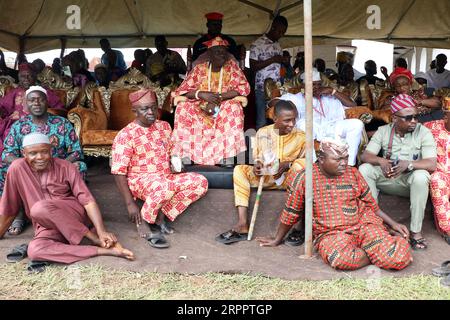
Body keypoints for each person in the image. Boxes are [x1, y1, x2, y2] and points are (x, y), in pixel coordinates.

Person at [257, 138, 412, 271]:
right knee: (340, 259)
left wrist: (393, 224)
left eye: (346, 158)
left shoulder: (353, 173)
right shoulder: (304, 178)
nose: (344, 163)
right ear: (321, 158)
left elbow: (370, 204)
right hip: (331, 233)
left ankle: (381, 247)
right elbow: (291, 212)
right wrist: (277, 239)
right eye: (338, 160)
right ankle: (377, 251)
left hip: (364, 224)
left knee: (397, 258)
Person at [0, 132, 134, 265]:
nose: (40, 157)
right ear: (24, 153)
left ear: (51, 150)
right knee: (34, 250)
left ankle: (92, 238)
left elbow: (88, 201)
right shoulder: (17, 168)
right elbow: (9, 206)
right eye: (33, 153)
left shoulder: (66, 166)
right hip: (46, 225)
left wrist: (101, 231)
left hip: (74, 216)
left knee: (39, 208)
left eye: (44, 152)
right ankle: (103, 250)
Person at [112, 89, 208, 248]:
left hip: (165, 176)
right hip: (140, 180)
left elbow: (172, 151)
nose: (151, 112)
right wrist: (130, 204)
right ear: (134, 111)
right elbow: (118, 172)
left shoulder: (164, 127)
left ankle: (161, 215)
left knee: (200, 182)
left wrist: (176, 163)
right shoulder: (125, 135)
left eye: (154, 107)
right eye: (144, 109)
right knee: (165, 187)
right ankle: (143, 219)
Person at [216, 100, 306, 244]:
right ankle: (242, 224)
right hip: (266, 178)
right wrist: (257, 166)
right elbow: (257, 158)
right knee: (240, 169)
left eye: (294, 119)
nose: (292, 124)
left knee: (300, 166)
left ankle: (298, 227)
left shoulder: (301, 136)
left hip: (290, 182)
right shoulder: (263, 133)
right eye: (287, 120)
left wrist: (288, 164)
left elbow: (308, 164)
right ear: (275, 118)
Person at [0, 86, 87, 235]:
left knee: (80, 166)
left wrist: (59, 165)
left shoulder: (62, 123)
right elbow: (7, 153)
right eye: (32, 100)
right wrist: (27, 165)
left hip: (57, 167)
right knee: (7, 168)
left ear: (47, 102)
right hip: (29, 168)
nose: (37, 103)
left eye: (41, 100)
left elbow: (76, 152)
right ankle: (18, 212)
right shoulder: (19, 126)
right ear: (25, 104)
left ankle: (67, 210)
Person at [359, 94, 437, 250]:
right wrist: (381, 161)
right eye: (408, 118)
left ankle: (416, 233)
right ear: (394, 118)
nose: (414, 121)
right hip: (387, 179)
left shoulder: (423, 132)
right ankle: (374, 223)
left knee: (421, 176)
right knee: (364, 169)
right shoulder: (383, 131)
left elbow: (431, 164)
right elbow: (365, 156)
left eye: (416, 116)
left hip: (409, 183)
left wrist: (409, 165)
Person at [171, 36, 250, 165]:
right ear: (210, 54)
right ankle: (186, 155)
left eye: (224, 53)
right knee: (183, 108)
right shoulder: (198, 69)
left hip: (223, 104)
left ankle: (226, 156)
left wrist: (220, 97)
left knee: (234, 108)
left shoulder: (233, 67)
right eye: (218, 52)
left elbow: (241, 88)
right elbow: (184, 90)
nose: (222, 56)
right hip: (200, 106)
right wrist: (201, 94)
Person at [271, 68, 364, 166]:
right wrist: (288, 104)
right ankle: (313, 164)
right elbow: (271, 103)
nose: (316, 87)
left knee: (357, 124)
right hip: (310, 129)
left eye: (319, 84)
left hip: (331, 127)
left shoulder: (328, 97)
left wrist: (333, 91)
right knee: (304, 124)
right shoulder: (295, 98)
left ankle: (349, 164)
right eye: (313, 84)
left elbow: (352, 105)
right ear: (304, 86)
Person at [0, 63, 65, 155]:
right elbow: (2, 106)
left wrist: (44, 113)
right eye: (23, 76)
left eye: (29, 75)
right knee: (7, 132)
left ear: (35, 77)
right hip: (14, 123)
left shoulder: (43, 92)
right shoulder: (14, 92)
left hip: (38, 122)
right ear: (19, 78)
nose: (26, 78)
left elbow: (59, 108)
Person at [250, 15, 289, 129]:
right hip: (261, 89)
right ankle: (260, 145)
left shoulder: (278, 45)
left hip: (276, 90)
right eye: (279, 31)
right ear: (273, 27)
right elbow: (252, 67)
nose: (281, 34)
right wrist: (273, 59)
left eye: (283, 32)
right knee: (262, 120)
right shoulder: (257, 44)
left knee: (275, 119)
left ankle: (274, 145)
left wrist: (283, 62)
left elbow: (278, 67)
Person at [423, 103, 450, 245]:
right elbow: (409, 129)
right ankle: (448, 229)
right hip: (441, 174)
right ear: (445, 116)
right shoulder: (430, 127)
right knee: (437, 180)